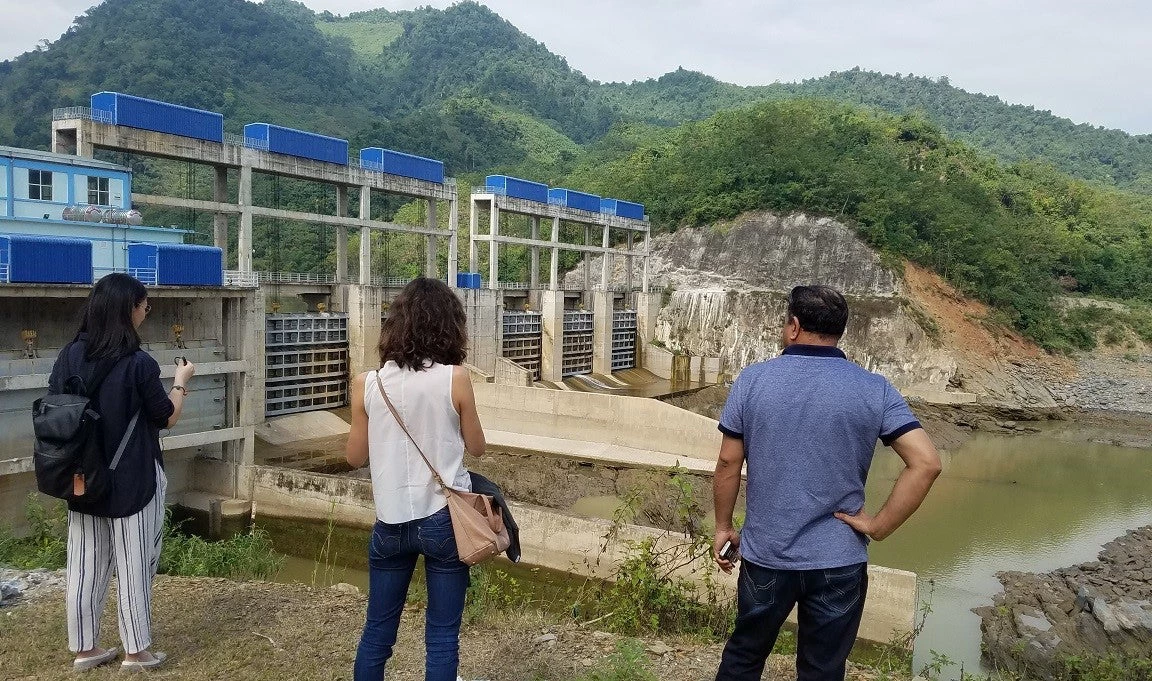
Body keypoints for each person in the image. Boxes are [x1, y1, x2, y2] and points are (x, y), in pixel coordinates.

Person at [712, 285, 942, 681]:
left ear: (794, 326)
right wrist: (877, 526)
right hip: (839, 560)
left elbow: (729, 461)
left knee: (744, 657)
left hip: (767, 555)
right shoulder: (874, 388)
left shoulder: (752, 381)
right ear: (840, 331)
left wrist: (723, 527)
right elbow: (926, 463)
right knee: (823, 669)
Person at [50, 273, 196, 672]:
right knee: (135, 563)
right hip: (133, 478)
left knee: (84, 563)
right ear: (128, 308)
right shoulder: (138, 363)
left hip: (81, 477)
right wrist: (181, 383)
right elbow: (165, 419)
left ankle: (85, 648)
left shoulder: (68, 356)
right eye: (144, 305)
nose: (146, 311)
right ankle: (136, 651)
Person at [346, 277, 487, 681]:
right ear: (449, 327)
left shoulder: (366, 383)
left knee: (377, 631)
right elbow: (477, 447)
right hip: (444, 520)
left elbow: (355, 457)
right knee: (442, 635)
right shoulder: (455, 379)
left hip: (390, 522)